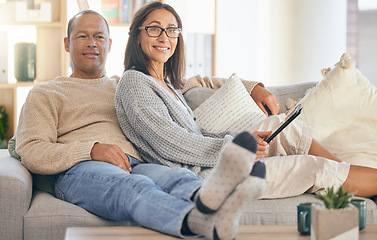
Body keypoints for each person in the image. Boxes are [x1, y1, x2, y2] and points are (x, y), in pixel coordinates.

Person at [10, 10, 267, 240]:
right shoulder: (46, 92)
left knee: (178, 177)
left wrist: (252, 88)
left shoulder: (128, 84)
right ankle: (198, 221)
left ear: (110, 44)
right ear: (67, 43)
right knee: (134, 188)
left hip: (136, 164)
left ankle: (215, 201)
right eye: (82, 36)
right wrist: (91, 150)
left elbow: (190, 83)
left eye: (99, 36)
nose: (92, 43)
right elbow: (31, 151)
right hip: (80, 171)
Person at [115, 2, 377, 198]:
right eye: (154, 29)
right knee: (312, 167)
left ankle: (353, 176)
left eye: (171, 30)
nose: (164, 37)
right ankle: (362, 183)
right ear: (137, 36)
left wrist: (244, 139)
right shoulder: (135, 82)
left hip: (215, 160)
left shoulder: (170, 85)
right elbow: (170, 142)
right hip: (207, 175)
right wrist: (237, 149)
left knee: (281, 126)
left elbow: (198, 132)